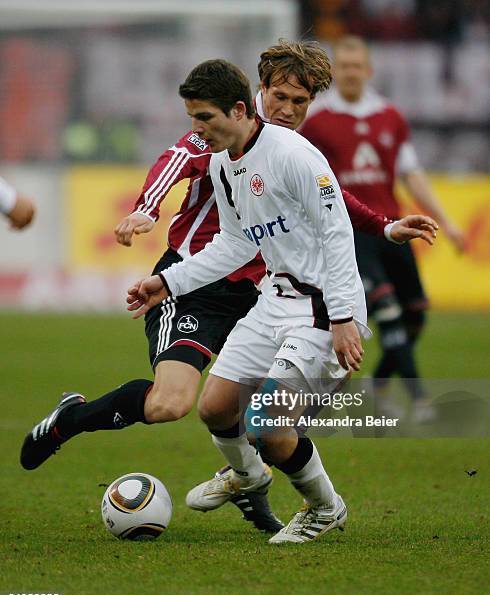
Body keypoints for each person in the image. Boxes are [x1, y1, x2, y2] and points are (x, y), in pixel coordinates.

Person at [20, 42, 436, 534]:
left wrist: (377, 242)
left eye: (300, 103)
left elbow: (332, 212)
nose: (287, 111)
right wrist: (156, 241)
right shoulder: (218, 137)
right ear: (256, 95)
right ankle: (243, 473)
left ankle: (306, 496)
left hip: (294, 298)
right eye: (279, 97)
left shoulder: (289, 150)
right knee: (196, 406)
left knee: (269, 415)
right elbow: (188, 176)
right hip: (213, 285)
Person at [125, 57, 372, 545]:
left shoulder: (295, 156)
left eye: (204, 119)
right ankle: (248, 476)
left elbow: (338, 232)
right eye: (192, 118)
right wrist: (169, 283)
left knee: (266, 425)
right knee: (216, 408)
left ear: (238, 110)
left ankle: (326, 508)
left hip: (322, 309)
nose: (196, 130)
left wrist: (343, 317)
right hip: (273, 299)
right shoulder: (223, 163)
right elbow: (236, 244)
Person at [299, 36, 464, 422]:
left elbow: (412, 174)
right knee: (386, 309)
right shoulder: (317, 120)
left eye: (358, 66)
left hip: (394, 225)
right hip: (351, 232)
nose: (351, 73)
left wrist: (449, 223)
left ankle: (378, 387)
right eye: (345, 66)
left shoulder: (390, 116)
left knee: (415, 315)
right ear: (334, 71)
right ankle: (420, 401)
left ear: (369, 71)